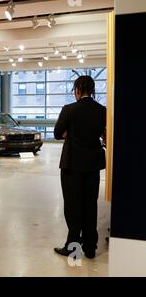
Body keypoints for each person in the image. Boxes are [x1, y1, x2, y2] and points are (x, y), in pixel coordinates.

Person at [53, 75, 106, 259]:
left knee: (73, 206)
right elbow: (102, 134)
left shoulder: (69, 110)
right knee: (90, 205)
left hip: (72, 165)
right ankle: (91, 248)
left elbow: (57, 133)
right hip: (92, 165)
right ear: (92, 91)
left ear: (77, 90)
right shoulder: (102, 111)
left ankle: (73, 248)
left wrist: (71, 133)